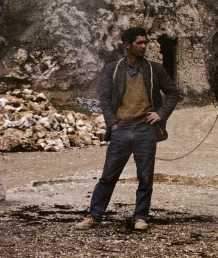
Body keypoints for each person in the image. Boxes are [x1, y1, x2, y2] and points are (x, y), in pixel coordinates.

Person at [75, 27, 181, 232]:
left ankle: (141, 217)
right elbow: (104, 98)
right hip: (121, 131)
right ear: (127, 45)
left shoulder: (154, 69)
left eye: (145, 42)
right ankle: (94, 216)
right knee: (108, 177)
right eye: (139, 43)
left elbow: (173, 93)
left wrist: (160, 114)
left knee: (145, 178)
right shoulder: (113, 70)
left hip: (145, 130)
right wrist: (112, 123)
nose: (143, 46)